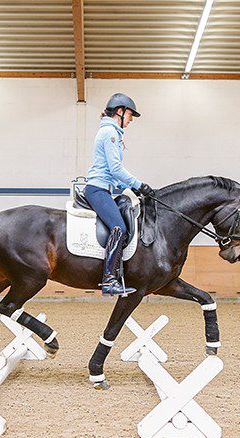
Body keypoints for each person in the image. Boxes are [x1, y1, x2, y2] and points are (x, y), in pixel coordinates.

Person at [84, 93, 155, 296]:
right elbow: (115, 168)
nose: (131, 120)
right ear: (120, 112)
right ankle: (108, 280)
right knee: (119, 228)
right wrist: (139, 184)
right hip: (97, 189)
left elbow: (113, 172)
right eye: (130, 114)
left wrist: (130, 187)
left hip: (105, 188)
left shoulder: (112, 132)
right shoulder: (110, 133)